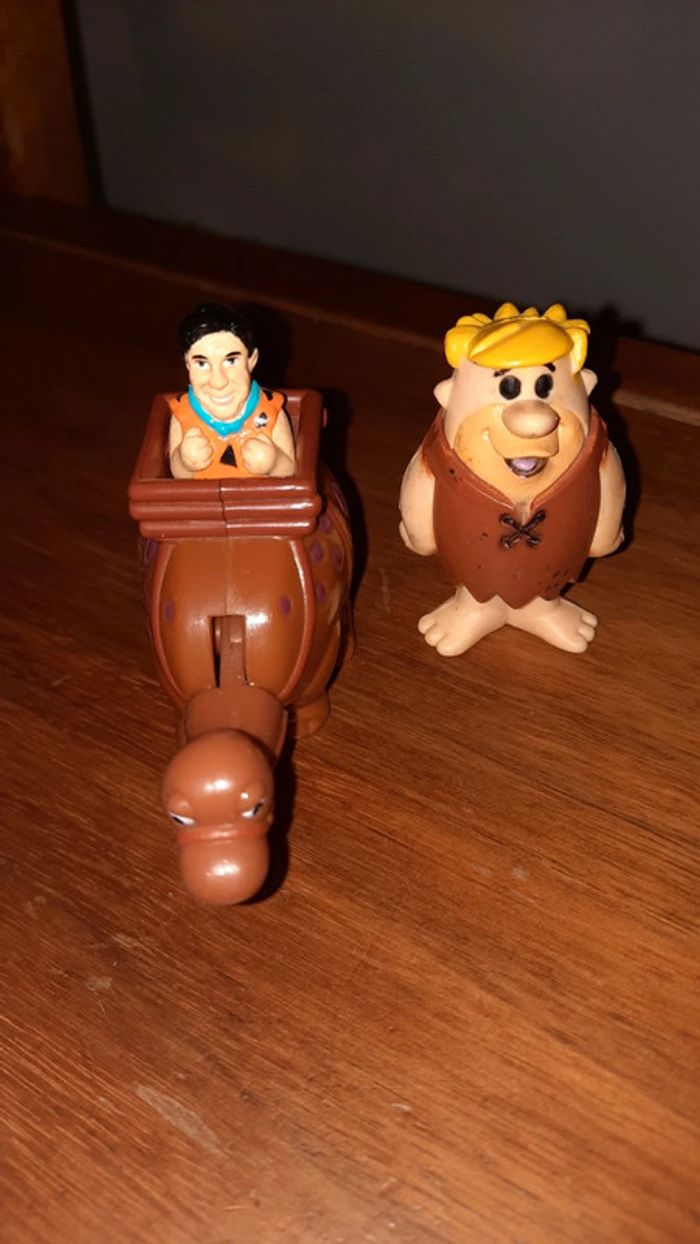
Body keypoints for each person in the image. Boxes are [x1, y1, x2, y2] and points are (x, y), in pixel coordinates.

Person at [168, 303, 295, 479]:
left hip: (258, 496)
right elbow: (177, 475)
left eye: (231, 361)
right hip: (205, 496)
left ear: (251, 360)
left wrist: (274, 461)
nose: (218, 382)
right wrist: (184, 461)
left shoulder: (270, 412)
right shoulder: (183, 415)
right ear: (188, 365)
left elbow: (290, 470)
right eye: (202, 364)